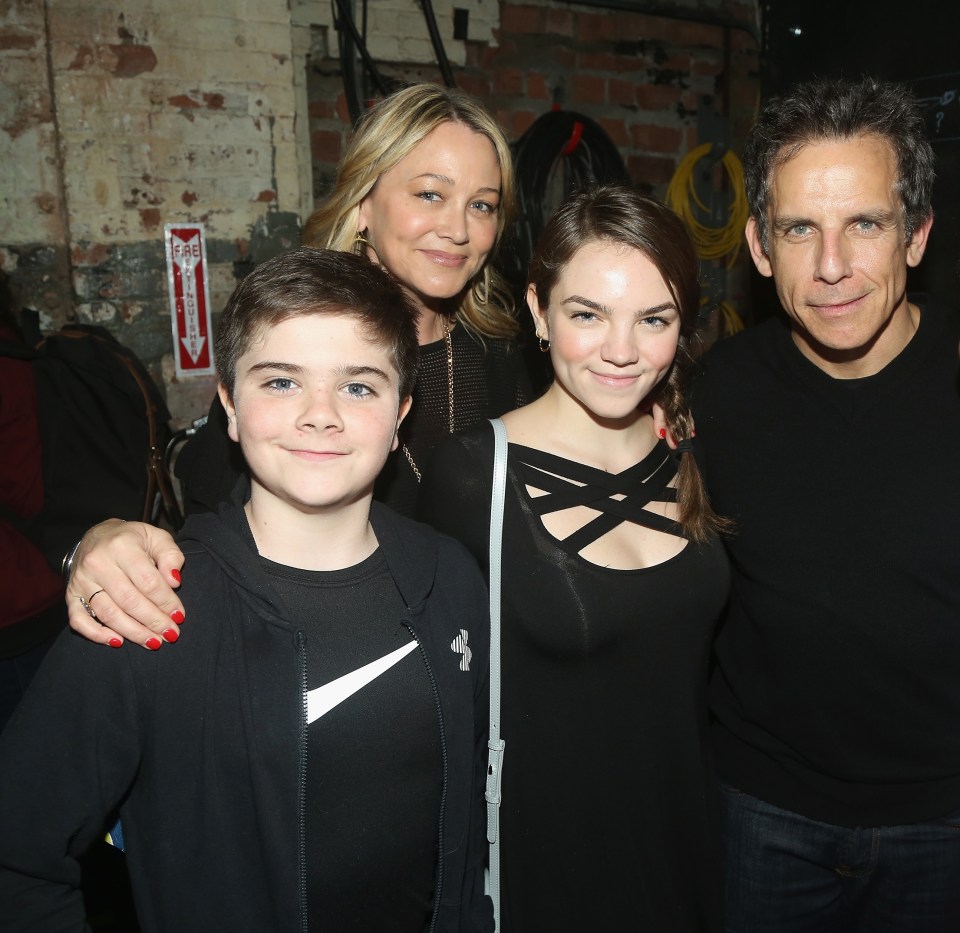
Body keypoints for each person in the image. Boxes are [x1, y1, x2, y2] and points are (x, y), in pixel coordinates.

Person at [0, 248, 493, 933]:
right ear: (229, 406)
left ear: (401, 412)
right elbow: (18, 855)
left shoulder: (452, 579)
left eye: (358, 386)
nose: (321, 415)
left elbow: (471, 811)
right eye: (281, 382)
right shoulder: (150, 605)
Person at [420, 185, 731, 931]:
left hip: (695, 846)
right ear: (537, 310)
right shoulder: (472, 475)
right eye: (587, 313)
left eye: (653, 319)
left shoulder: (699, 450)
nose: (621, 351)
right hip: (550, 868)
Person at [691, 76, 960, 932]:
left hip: (944, 820)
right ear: (760, 249)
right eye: (800, 229)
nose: (832, 266)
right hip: (760, 813)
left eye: (865, 225)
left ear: (915, 235)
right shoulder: (714, 395)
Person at [177, 82, 531, 522]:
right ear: (363, 204)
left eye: (482, 205)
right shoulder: (290, 345)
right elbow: (205, 523)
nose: (458, 230)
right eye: (429, 194)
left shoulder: (502, 359)